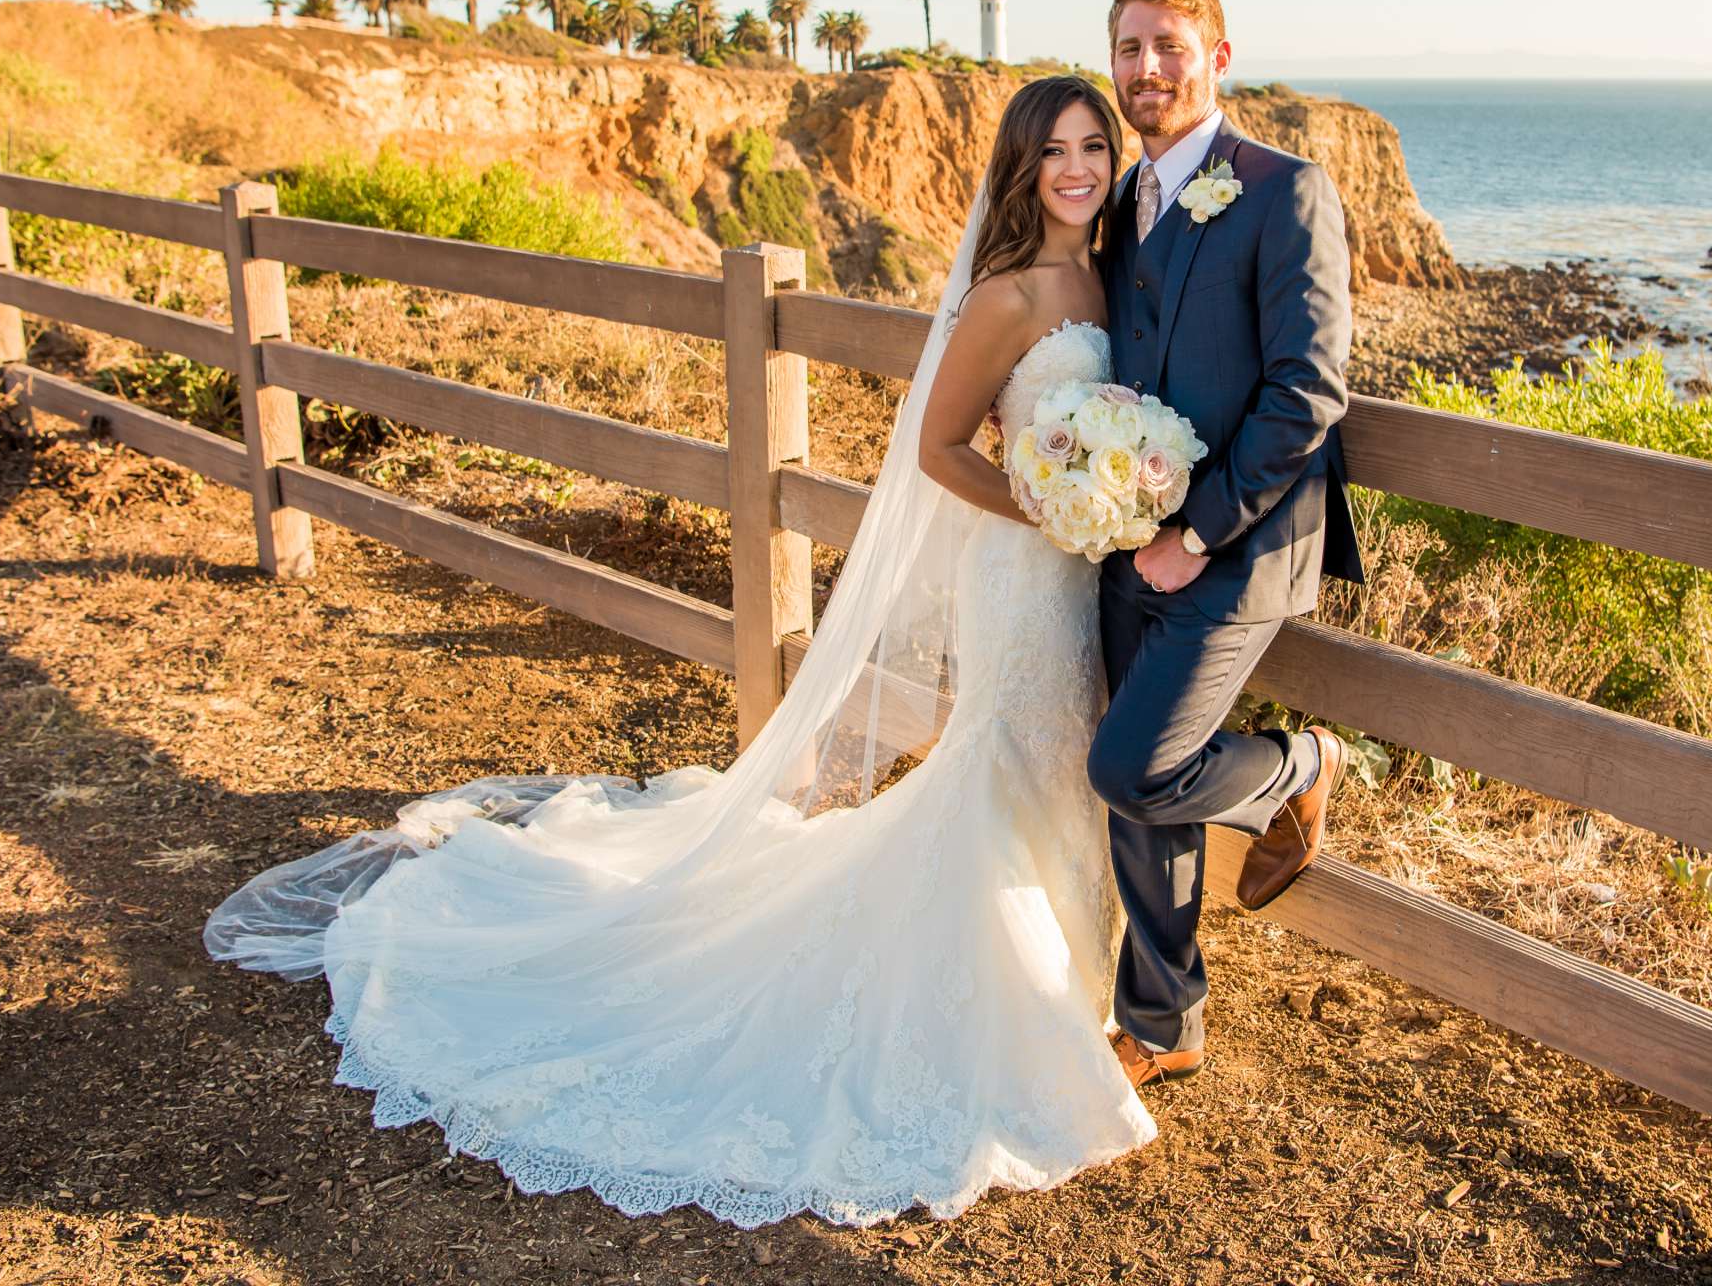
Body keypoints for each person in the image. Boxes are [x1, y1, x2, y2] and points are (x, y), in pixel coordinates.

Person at [204, 75, 1158, 1227]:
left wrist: (1110, 491)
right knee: (1003, 761)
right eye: (1053, 148)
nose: (1076, 165)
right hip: (1021, 572)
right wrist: (1045, 504)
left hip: (1083, 571)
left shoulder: (1112, 269)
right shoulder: (1005, 296)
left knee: (1062, 767)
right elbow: (941, 450)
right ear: (1019, 164)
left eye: (1092, 144)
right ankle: (1011, 1009)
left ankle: (1064, 977)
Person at [1089, 0, 1364, 1090]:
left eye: (1168, 46)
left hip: (1239, 546)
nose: (1146, 69)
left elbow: (1309, 390)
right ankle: (1163, 1024)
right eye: (1128, 48)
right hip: (1122, 535)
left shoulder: (1284, 189)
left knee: (1135, 767)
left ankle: (1301, 766)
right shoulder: (1115, 206)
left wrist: (1195, 534)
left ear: (1218, 57)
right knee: (1136, 801)